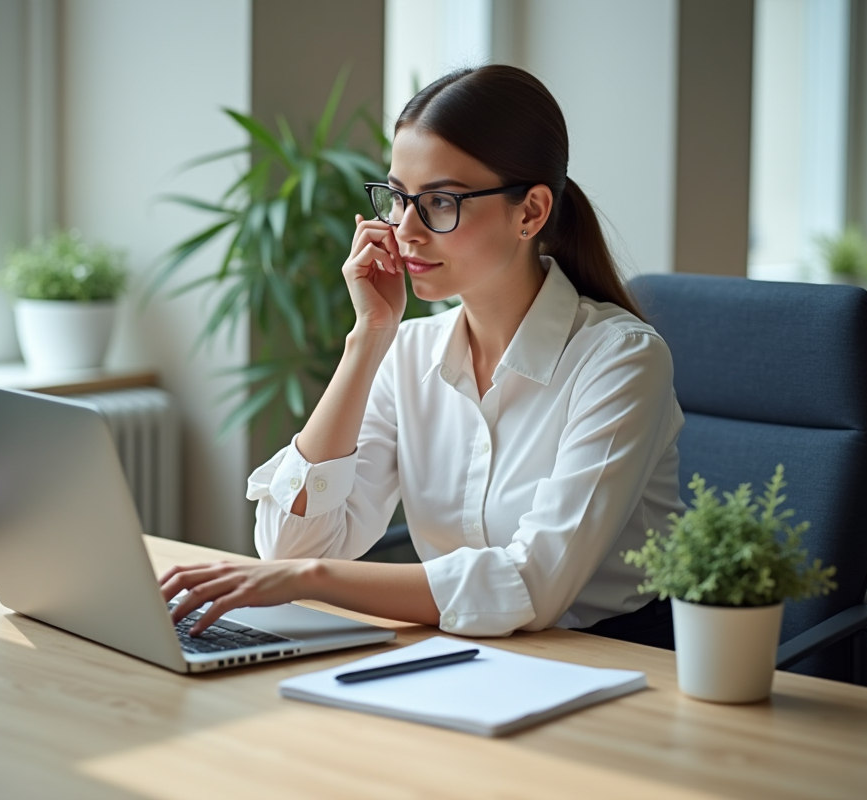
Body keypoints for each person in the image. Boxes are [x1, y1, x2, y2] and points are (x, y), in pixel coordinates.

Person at [160, 65, 684, 649]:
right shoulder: (408, 352)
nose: (405, 230)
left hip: (611, 661)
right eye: (398, 198)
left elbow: (534, 583)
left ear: (530, 212)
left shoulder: (622, 361)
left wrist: (312, 580)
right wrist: (368, 338)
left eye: (439, 202)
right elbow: (290, 547)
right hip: (463, 651)